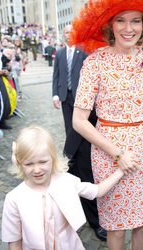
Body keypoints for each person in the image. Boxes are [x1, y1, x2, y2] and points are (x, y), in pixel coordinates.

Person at [71, 0, 143, 248]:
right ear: (110, 25)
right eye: (121, 20)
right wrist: (118, 153)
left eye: (136, 21)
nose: (128, 28)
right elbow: (79, 122)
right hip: (108, 153)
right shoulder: (94, 63)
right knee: (116, 227)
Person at [1, 125, 127, 250]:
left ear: (53, 158)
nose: (37, 169)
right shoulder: (14, 199)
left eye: (43, 162)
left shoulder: (66, 181)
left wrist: (120, 171)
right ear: (19, 163)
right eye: (29, 164)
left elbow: (97, 191)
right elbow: (14, 241)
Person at [52, 24, 106, 241]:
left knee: (82, 163)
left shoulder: (89, 52)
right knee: (76, 160)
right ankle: (83, 216)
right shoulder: (65, 53)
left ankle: (91, 215)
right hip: (74, 111)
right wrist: (56, 95)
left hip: (94, 117)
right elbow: (58, 76)